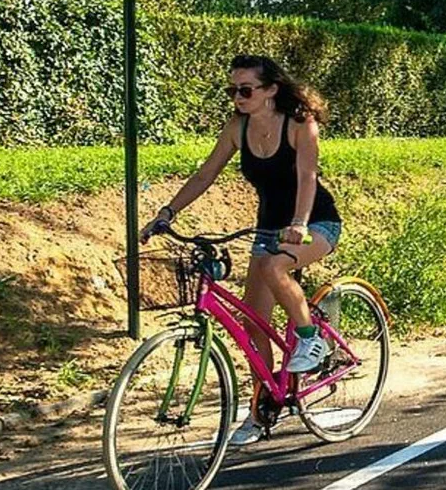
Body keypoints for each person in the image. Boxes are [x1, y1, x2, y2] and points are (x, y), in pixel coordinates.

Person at [141, 54, 343, 445]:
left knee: (274, 268)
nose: (237, 96)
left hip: (316, 222)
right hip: (268, 228)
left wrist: (299, 223)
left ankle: (310, 338)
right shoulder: (238, 127)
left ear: (271, 90)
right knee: (253, 324)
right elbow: (205, 173)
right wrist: (167, 213)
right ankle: (262, 407)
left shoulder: (300, 123)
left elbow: (307, 177)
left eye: (245, 90)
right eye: (232, 90)